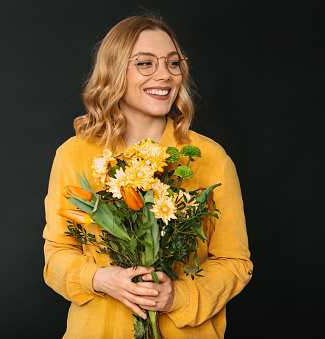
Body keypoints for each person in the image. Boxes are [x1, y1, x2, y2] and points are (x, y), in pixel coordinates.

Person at [43, 14, 252, 339]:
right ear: (114, 70)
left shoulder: (211, 158)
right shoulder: (74, 155)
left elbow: (234, 261)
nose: (164, 75)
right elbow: (56, 255)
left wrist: (177, 296)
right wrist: (101, 278)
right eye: (145, 63)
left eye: (173, 63)